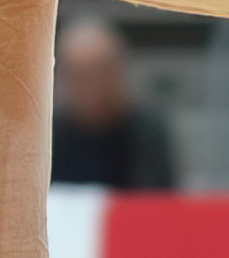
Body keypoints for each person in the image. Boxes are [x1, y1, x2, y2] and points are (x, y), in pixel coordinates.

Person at [49, 15, 176, 189]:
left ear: (118, 69)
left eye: (99, 71)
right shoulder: (49, 135)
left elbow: (156, 197)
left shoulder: (147, 131)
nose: (90, 84)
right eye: (78, 74)